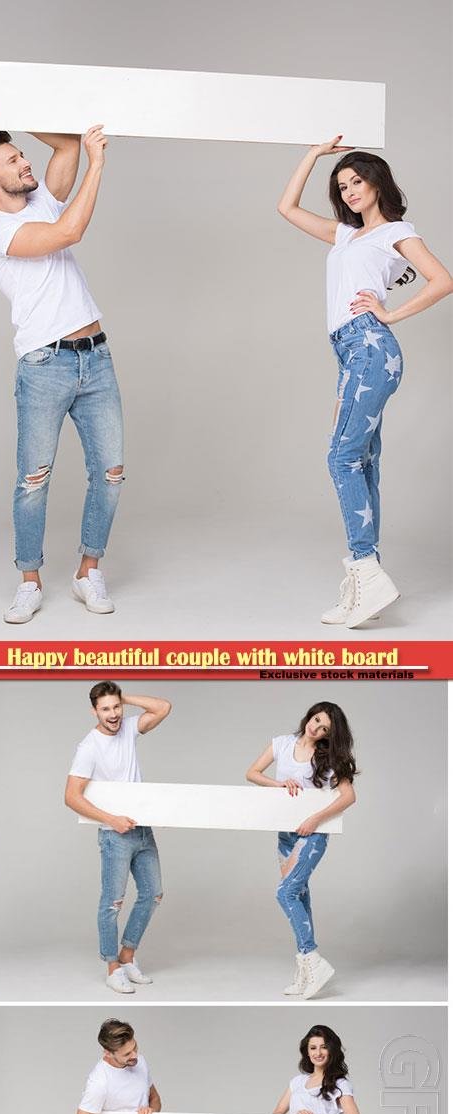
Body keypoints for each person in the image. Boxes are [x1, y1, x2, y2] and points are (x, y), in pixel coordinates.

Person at [278, 139, 453, 625]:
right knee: (362, 459)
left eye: (357, 181)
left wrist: (390, 312)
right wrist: (313, 156)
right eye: (342, 186)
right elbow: (286, 207)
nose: (350, 191)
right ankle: (366, 578)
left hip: (370, 347)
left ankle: (366, 571)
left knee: (342, 457)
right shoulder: (345, 236)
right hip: (349, 353)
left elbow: (443, 279)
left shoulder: (395, 232)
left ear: (377, 182)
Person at [0, 106, 124, 622]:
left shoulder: (43, 201)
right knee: (33, 480)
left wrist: (9, 114)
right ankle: (30, 580)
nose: (24, 162)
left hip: (95, 357)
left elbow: (66, 147)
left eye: (21, 154)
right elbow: (67, 234)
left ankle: (88, 572)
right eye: (12, 160)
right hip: (44, 364)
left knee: (110, 473)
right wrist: (99, 166)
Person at [65, 682, 171, 993]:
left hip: (142, 828)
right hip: (115, 835)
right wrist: (112, 820)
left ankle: (127, 957)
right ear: (94, 711)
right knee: (112, 903)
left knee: (153, 894)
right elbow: (71, 797)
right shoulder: (88, 747)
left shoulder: (127, 728)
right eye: (105, 709)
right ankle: (113, 967)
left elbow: (163, 707)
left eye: (116, 707)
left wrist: (123, 697)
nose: (113, 714)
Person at [246, 702, 357, 996]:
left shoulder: (329, 757)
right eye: (316, 719)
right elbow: (252, 773)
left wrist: (315, 818)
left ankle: (312, 958)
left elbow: (348, 796)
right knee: (300, 895)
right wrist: (279, 784)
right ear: (310, 715)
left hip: (313, 833)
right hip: (285, 834)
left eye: (324, 729)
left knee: (286, 892)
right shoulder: (281, 744)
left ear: (328, 735)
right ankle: (305, 971)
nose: (316, 728)